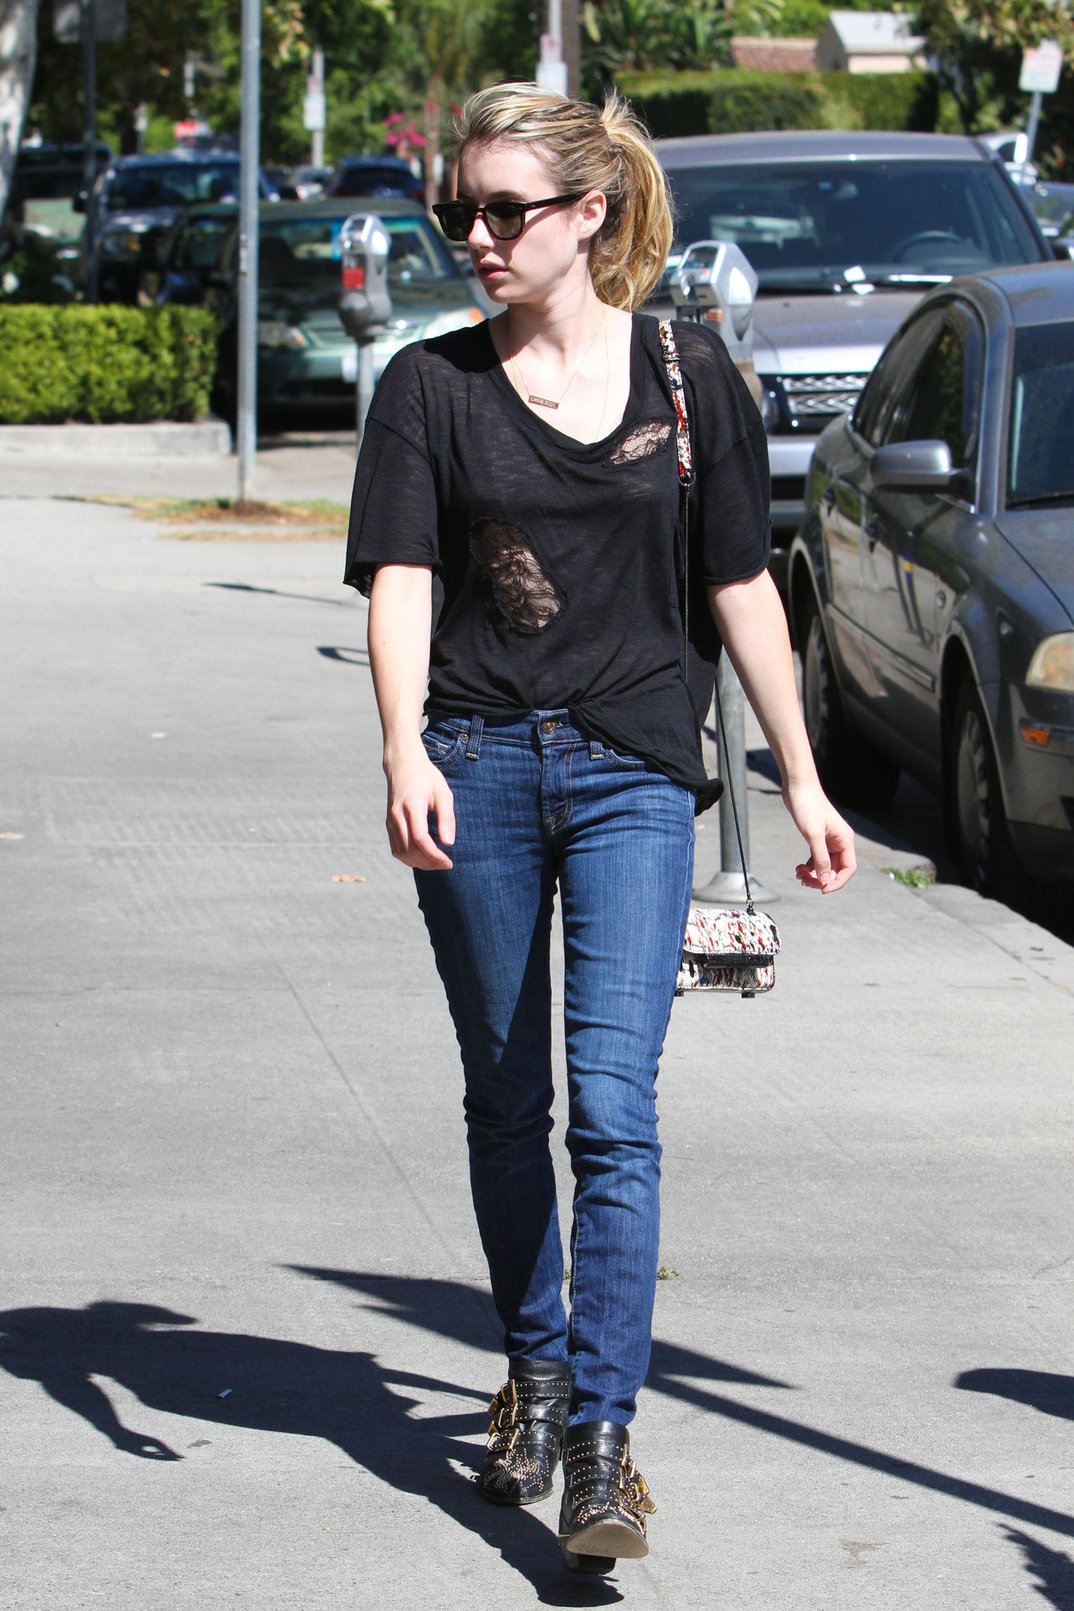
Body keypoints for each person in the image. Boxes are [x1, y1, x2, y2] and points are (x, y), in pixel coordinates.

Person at [344, 81, 856, 1575]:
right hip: (476, 764)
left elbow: (740, 590)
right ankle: (533, 1364)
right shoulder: (427, 390)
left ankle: (600, 1443)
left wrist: (802, 777)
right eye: (464, 212)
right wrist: (398, 750)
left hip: (635, 766)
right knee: (505, 1099)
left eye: (508, 211)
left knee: (609, 1107)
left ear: (591, 216)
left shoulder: (692, 378)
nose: (478, 238)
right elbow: (401, 583)